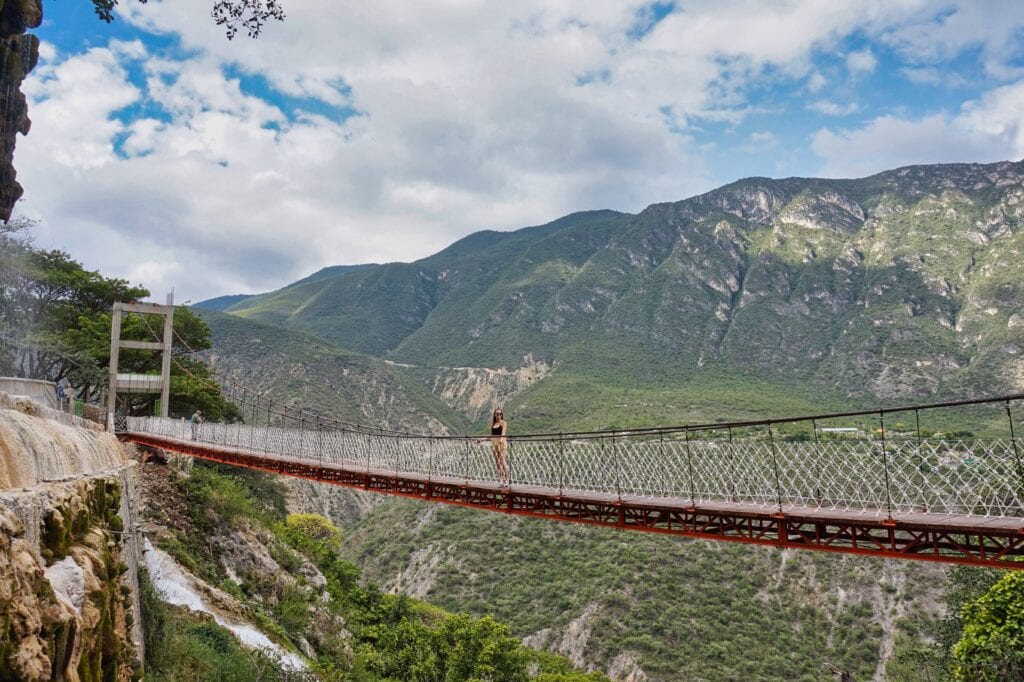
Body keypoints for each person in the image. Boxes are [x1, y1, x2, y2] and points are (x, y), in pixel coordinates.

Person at [489, 408, 509, 485]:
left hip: (501, 443)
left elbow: (503, 432)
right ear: (494, 415)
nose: (499, 415)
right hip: (494, 443)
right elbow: (491, 435)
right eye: (497, 414)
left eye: (500, 414)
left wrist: (501, 439)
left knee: (502, 461)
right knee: (497, 462)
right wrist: (481, 439)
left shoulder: (503, 423)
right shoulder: (493, 424)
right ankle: (500, 480)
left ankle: (507, 480)